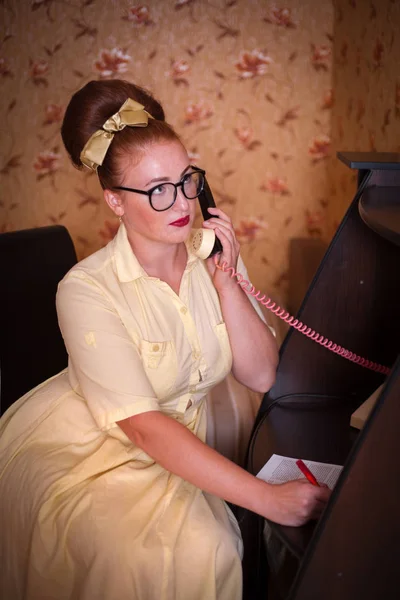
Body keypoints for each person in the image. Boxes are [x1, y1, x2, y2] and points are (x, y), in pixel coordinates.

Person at [0, 79, 330, 600]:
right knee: (183, 555)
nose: (181, 202)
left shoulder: (208, 257)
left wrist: (228, 280)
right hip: (97, 451)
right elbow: (145, 427)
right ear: (114, 201)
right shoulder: (85, 290)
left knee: (208, 549)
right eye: (157, 189)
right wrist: (268, 500)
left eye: (187, 180)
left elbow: (261, 374)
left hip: (178, 442)